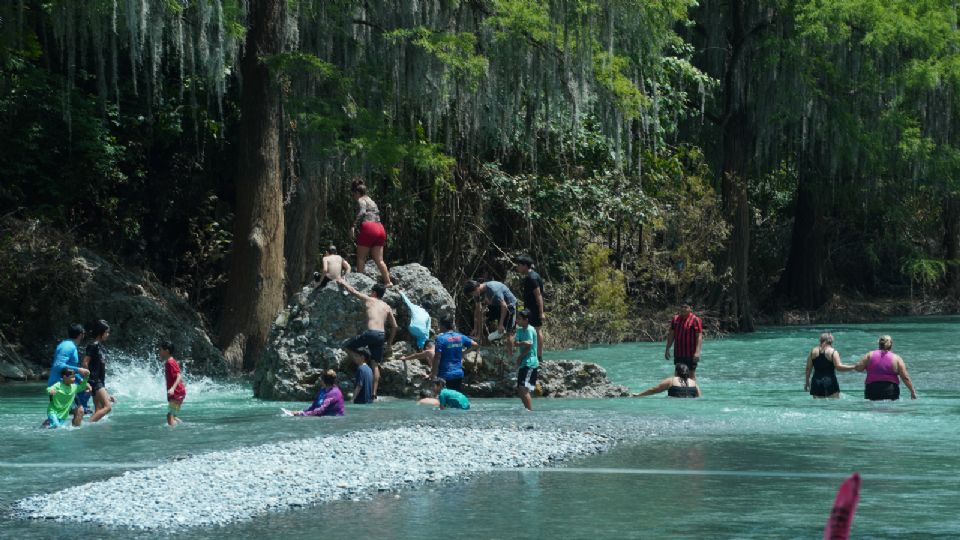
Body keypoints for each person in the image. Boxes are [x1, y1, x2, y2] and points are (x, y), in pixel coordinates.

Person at [338, 278, 397, 400]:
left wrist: (343, 282)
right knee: (375, 364)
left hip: (371, 333)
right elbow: (395, 326)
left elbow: (354, 291)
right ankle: (374, 393)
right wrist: (390, 343)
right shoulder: (387, 307)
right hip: (381, 335)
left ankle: (362, 365)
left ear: (374, 293)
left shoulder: (370, 299)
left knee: (347, 346)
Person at [350, 178, 393, 287]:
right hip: (380, 228)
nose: (353, 197)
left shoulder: (361, 200)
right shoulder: (371, 200)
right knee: (379, 260)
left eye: (353, 194)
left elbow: (362, 212)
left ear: (357, 192)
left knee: (360, 258)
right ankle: (388, 282)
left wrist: (353, 226)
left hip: (369, 228)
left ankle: (358, 283)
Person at [854, 335, 918, 401]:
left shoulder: (869, 355)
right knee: (890, 410)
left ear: (879, 343)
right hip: (890, 390)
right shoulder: (897, 358)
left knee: (872, 410)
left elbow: (859, 368)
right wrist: (912, 391)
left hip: (872, 389)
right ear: (891, 344)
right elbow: (905, 377)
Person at [464, 279, 517, 355]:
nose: (473, 295)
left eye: (472, 293)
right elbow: (477, 310)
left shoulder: (492, 289)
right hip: (496, 306)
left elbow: (504, 306)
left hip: (509, 306)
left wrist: (501, 324)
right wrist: (475, 328)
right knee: (482, 313)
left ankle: (510, 355)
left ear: (476, 289)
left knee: (509, 333)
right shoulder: (477, 293)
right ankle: (479, 336)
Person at [430, 318, 479, 393]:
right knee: (455, 398)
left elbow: (437, 357)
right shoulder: (460, 336)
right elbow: (475, 345)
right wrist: (464, 352)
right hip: (458, 374)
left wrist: (433, 375)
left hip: (445, 375)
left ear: (443, 326)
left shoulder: (440, 339)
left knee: (444, 399)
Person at [804, 332, 855, 398]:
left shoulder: (813, 351)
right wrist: (854, 367)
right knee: (833, 405)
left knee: (818, 406)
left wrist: (807, 382)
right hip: (830, 382)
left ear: (820, 340)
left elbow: (808, 368)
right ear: (830, 341)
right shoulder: (833, 352)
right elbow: (839, 367)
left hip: (816, 382)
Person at [514, 255, 545, 363]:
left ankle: (539, 357)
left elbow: (538, 295)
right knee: (528, 330)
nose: (517, 268)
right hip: (529, 309)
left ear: (525, 266)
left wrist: (541, 312)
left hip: (534, 310)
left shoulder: (532, 278)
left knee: (537, 330)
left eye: (519, 265)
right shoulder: (531, 276)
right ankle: (531, 355)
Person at [83, 319, 115, 422]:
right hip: (95, 381)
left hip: (99, 381)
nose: (107, 334)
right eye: (106, 332)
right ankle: (88, 424)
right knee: (108, 407)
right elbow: (85, 362)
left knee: (99, 408)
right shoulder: (93, 345)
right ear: (100, 332)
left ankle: (95, 430)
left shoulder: (100, 346)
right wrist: (87, 380)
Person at [664, 300, 703, 379]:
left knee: (691, 375)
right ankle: (678, 390)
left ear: (690, 308)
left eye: (686, 307)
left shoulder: (695, 320)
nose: (683, 309)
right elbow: (671, 335)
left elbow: (699, 336)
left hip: (690, 354)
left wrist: (697, 352)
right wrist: (667, 349)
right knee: (677, 374)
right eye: (682, 307)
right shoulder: (675, 319)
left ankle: (693, 391)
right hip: (678, 353)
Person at [513, 309, 539, 411]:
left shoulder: (530, 329)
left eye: (519, 319)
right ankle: (526, 409)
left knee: (524, 388)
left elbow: (529, 345)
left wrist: (520, 356)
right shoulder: (520, 330)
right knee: (520, 388)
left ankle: (530, 411)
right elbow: (516, 343)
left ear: (526, 320)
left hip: (530, 363)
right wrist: (521, 343)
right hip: (524, 362)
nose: (517, 321)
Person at [632, 363, 701, 398]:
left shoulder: (671, 381)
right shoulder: (694, 383)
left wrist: (639, 395)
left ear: (676, 372)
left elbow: (654, 390)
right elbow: (699, 397)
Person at [161, 340, 186, 426]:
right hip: (179, 392)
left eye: (161, 350)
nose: (159, 352)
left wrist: (172, 388)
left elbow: (179, 376)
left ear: (166, 351)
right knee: (173, 415)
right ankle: (184, 427)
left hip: (177, 393)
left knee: (169, 415)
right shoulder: (171, 361)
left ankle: (172, 433)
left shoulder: (170, 362)